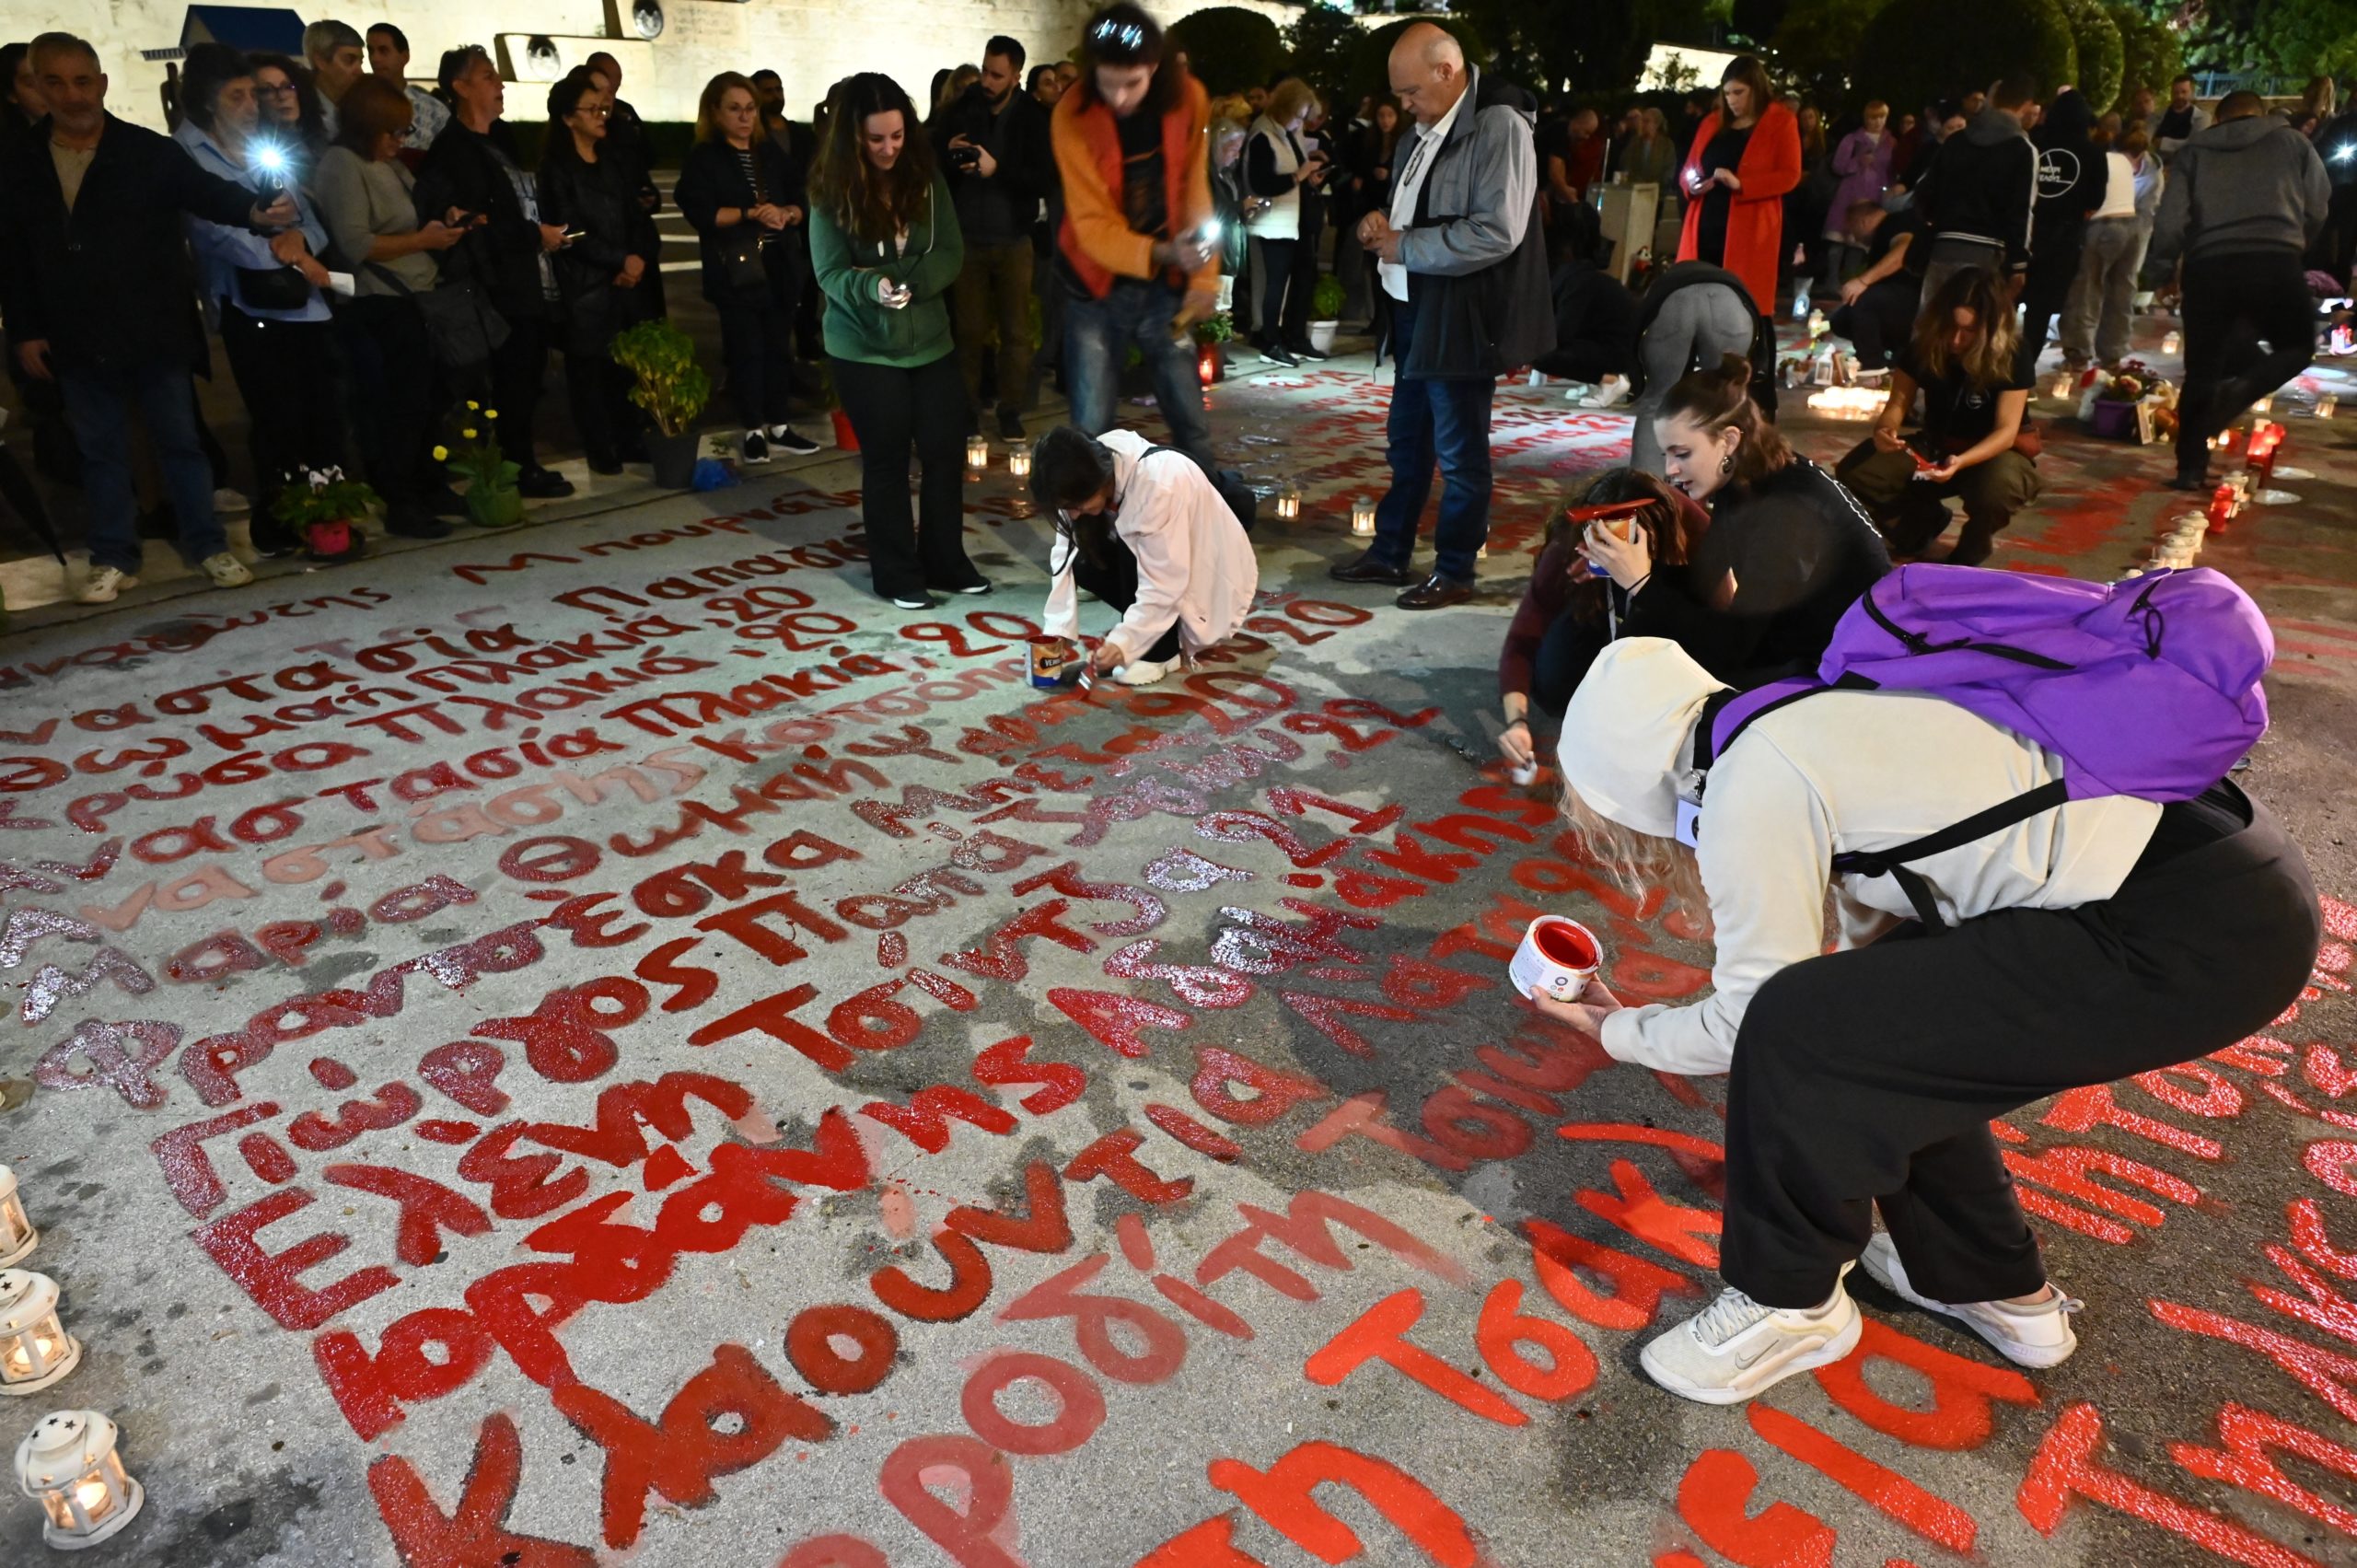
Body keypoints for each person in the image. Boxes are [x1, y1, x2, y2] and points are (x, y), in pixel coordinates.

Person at [1542, 630, 2316, 1404]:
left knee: (1798, 1029)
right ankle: (1996, 1287)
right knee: (1886, 1030)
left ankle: (1791, 1301)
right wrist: (1841, 1021)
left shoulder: (1753, 778)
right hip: (2225, 872)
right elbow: (1875, 978)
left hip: (2189, 924)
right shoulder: (1795, 716)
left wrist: (1616, 1030)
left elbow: (1756, 1020)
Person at [0, 32, 294, 601]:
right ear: (36, 86)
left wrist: (256, 211)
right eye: (55, 81)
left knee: (180, 442)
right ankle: (114, 553)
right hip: (74, 331)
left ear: (101, 84)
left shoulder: (147, 151)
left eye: (83, 80)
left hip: (152, 324)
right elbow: (14, 255)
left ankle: (206, 544)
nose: (72, 94)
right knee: (101, 450)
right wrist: (26, 329)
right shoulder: (19, 164)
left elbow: (205, 193)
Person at [1329, 22, 1550, 610]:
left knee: (1458, 452)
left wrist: (1406, 246)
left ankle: (1454, 570)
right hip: (1411, 306)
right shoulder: (1422, 130)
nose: (1404, 107)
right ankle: (1390, 550)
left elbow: (1498, 230)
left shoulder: (1498, 125)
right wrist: (1379, 222)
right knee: (1408, 442)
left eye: (1410, 93)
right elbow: (1413, 207)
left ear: (1447, 72)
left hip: (1460, 313)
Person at [173, 41, 360, 558]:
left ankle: (330, 515)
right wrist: (288, 252)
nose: (252, 106)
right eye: (238, 96)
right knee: (279, 417)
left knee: (323, 412)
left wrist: (302, 244)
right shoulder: (188, 152)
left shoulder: (265, 147)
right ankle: (285, 519)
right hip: (249, 305)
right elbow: (210, 231)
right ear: (210, 101)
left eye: (253, 95)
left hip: (304, 301)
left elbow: (306, 217)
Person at [808, 71, 981, 610]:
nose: (888, 149)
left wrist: (913, 283)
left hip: (930, 341)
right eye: (876, 139)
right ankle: (896, 571)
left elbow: (950, 249)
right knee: (886, 460)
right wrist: (872, 285)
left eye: (898, 135)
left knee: (944, 450)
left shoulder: (926, 179)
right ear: (852, 138)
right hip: (863, 346)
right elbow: (829, 273)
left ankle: (945, 560)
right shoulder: (830, 191)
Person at [1643, 354, 1887, 677]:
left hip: (1842, 665)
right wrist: (1631, 569)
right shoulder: (1748, 476)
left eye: (1682, 453)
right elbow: (1705, 575)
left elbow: (1735, 646)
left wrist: (1642, 585)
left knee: (1672, 685)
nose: (1670, 470)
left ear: (1729, 440)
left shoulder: (1787, 513)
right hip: (1800, 639)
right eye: (1667, 454)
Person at [1050, 3, 1218, 468]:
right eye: (1108, 84)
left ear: (1156, 69)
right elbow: (1090, 224)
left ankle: (1208, 527)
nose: (1120, 98)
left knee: (1190, 422)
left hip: (1164, 291)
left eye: (1133, 83)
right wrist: (1167, 252)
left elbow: (1194, 190)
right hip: (1094, 289)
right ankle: (1087, 536)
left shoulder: (1189, 98)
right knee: (1090, 429)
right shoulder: (1072, 112)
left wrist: (1204, 279)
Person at [417, 45, 576, 498]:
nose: (499, 83)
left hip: (525, 279)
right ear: (460, 87)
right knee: (506, 383)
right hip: (494, 288)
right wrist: (530, 235)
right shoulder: (454, 151)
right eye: (488, 76)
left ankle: (521, 462)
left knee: (525, 381)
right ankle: (511, 469)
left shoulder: (500, 138)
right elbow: (473, 224)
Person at [2152, 89, 2330, 492]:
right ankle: (2240, 393)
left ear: (2219, 119)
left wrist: (2163, 268)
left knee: (2202, 366)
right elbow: (2319, 204)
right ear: (2263, 114)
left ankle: (2190, 469)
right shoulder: (2293, 142)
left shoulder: (2195, 152)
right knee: (2298, 346)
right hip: (2274, 258)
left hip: (2209, 265)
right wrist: (2295, 240)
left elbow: (2170, 220)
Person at [315, 74, 465, 539]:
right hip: (379, 304)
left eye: (405, 131)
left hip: (416, 296)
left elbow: (412, 214)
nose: (401, 141)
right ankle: (401, 499)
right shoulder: (342, 164)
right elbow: (354, 243)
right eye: (393, 131)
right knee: (396, 407)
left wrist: (444, 222)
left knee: (428, 400)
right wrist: (423, 238)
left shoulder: (388, 163)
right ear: (365, 127)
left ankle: (429, 483)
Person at [1496, 468, 1711, 771]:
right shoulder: (1569, 546)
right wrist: (1517, 722)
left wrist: (1643, 583)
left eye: (1619, 542)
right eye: (1598, 539)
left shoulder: (1695, 534)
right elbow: (1522, 638)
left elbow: (1719, 642)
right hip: (1597, 612)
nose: (1608, 552)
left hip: (1673, 611)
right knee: (1554, 686)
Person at [1836, 268, 2037, 566]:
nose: (1956, 340)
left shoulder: (2012, 352)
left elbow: (2006, 432)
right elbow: (1898, 403)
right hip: (1937, 444)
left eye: (1969, 332)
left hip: (1994, 453)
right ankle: (1919, 527)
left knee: (1998, 487)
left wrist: (1963, 461)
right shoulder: (1925, 345)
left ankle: (1971, 550)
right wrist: (1885, 428)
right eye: (1950, 327)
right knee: (1858, 472)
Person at [1029, 424, 1257, 687]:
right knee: (1082, 560)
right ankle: (1154, 637)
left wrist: (1124, 642)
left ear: (1099, 481)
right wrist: (1057, 630)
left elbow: (1165, 582)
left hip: (1206, 577)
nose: (1074, 513)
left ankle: (1162, 652)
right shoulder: (1083, 470)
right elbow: (1063, 553)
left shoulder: (1158, 485)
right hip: (1160, 568)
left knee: (1131, 542)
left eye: (1076, 506)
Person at [677, 70, 821, 467]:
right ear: (715, 112)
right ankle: (753, 428)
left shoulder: (768, 152)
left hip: (778, 263)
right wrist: (748, 213)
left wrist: (788, 212)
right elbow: (700, 210)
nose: (745, 117)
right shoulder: (706, 158)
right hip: (737, 268)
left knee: (778, 346)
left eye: (750, 109)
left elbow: (802, 195)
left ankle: (779, 424)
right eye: (735, 109)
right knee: (746, 349)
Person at [540, 70, 660, 475]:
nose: (601, 115)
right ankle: (599, 445)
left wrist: (636, 258)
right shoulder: (557, 169)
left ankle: (628, 437)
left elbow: (634, 215)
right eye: (591, 109)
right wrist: (616, 261)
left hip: (625, 282)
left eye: (602, 108)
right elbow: (569, 230)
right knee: (589, 372)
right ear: (567, 118)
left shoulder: (612, 162)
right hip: (586, 287)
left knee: (624, 367)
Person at [937, 35, 1054, 439]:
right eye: (985, 70)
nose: (987, 80)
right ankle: (967, 411)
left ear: (1016, 76)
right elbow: (933, 152)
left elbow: (1043, 177)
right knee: (967, 332)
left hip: (1013, 239)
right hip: (968, 237)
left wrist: (997, 170)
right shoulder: (965, 107)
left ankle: (1010, 409)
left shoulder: (1033, 118)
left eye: (997, 74)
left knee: (1016, 333)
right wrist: (948, 151)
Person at [1673, 55, 1802, 317]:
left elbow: (1790, 175)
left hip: (1750, 228)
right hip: (1705, 224)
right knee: (1696, 300)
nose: (1732, 100)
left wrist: (1742, 184)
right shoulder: (1712, 122)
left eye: (1739, 92)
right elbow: (1689, 168)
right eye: (1728, 93)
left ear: (1757, 88)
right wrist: (1693, 186)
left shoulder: (1780, 121)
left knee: (1738, 306)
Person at [1626, 260, 1775, 473]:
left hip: (1672, 303)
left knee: (1655, 403)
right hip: (1730, 304)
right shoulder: (1729, 280)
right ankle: (1724, 487)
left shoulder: (1665, 282)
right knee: (1726, 404)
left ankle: (1646, 490)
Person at [1910, 75, 2038, 308]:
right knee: (1972, 332)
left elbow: (1923, 191)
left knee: (1930, 330)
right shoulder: (2022, 149)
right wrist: (2018, 265)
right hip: (1987, 256)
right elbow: (2020, 212)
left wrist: (1937, 221)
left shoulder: (1956, 140)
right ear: (2026, 105)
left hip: (1943, 248)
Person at [2014, 87, 2100, 382]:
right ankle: (2021, 377)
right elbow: (2094, 202)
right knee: (2038, 316)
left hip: (2022, 236)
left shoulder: (2034, 144)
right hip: (2062, 244)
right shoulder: (2092, 153)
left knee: (2002, 306)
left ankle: (1987, 369)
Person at [1243, 78, 1329, 366]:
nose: (1301, 122)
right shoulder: (1263, 134)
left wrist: (1309, 175)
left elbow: (1294, 170)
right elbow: (1261, 181)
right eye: (1299, 115)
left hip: (1294, 221)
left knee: (1304, 277)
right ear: (1286, 109)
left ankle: (1295, 336)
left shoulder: (1285, 133)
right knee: (1275, 285)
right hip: (1273, 222)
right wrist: (1299, 176)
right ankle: (1270, 341)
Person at [2060, 127, 2160, 368]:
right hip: (2131, 227)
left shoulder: (2100, 158)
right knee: (2122, 293)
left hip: (2103, 227)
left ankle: (2078, 352)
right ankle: (2113, 354)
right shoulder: (2132, 164)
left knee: (2087, 290)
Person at [1535, 204, 1638, 389]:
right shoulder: (1576, 272)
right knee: (1538, 349)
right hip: (1613, 344)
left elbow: (1560, 334)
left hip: (1621, 352)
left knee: (1541, 354)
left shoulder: (1578, 278)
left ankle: (1609, 381)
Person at [1830, 199, 1924, 370]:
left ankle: (1873, 365)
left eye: (1851, 229)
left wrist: (1863, 281)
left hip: (1914, 300)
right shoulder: (1885, 230)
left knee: (1863, 300)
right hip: (1897, 301)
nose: (1852, 237)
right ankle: (1895, 354)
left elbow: (1904, 249)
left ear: (1862, 222)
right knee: (1840, 320)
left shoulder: (1894, 223)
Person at [1822, 101, 1893, 283]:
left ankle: (1849, 280)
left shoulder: (1890, 142)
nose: (1877, 122)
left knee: (1859, 244)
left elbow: (1892, 170)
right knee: (1838, 239)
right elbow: (1838, 166)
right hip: (1848, 194)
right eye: (1873, 117)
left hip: (1873, 196)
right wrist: (1857, 161)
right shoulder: (1852, 139)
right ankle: (1832, 281)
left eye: (1881, 117)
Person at [364, 22, 447, 157]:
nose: (375, 58)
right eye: (371, 51)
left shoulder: (433, 110)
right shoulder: (360, 105)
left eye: (383, 51)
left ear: (404, 57)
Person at [250, 52, 327, 188]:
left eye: (287, 87)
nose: (282, 96)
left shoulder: (318, 137)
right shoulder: (257, 154)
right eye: (268, 90)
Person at [300, 19, 364, 143]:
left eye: (361, 62)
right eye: (349, 60)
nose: (359, 71)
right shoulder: (299, 110)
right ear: (321, 61)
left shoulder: (361, 110)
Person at [2154, 73, 2211, 164]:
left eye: (2184, 92)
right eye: (2175, 92)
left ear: (2192, 93)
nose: (2179, 96)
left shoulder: (2202, 117)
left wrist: (2163, 143)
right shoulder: (2158, 115)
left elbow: (2196, 144)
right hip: (2159, 165)